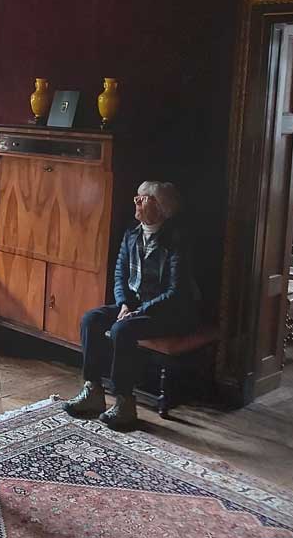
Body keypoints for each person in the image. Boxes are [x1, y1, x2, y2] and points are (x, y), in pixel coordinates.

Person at [62, 181, 199, 429]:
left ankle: (124, 402)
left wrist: (139, 311)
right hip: (134, 305)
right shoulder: (131, 234)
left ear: (161, 208)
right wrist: (124, 304)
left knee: (122, 330)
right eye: (137, 196)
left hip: (167, 311)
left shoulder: (177, 240)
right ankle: (93, 391)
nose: (136, 201)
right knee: (91, 319)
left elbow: (175, 292)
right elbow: (120, 275)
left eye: (144, 198)